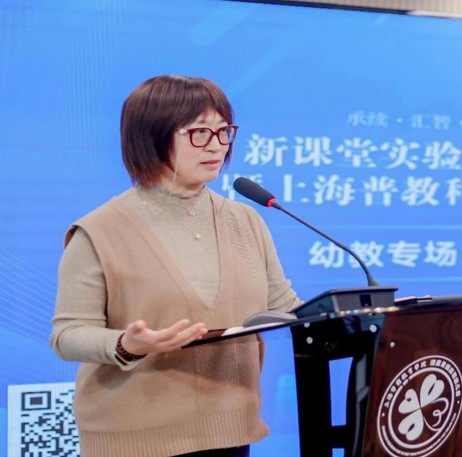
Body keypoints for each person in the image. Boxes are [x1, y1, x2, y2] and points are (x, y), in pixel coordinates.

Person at [50, 74, 301, 457]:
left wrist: (357, 318)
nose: (216, 145)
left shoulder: (246, 220)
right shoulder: (99, 231)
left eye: (224, 131)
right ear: (151, 137)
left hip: (230, 431)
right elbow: (67, 335)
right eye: (199, 132)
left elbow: (284, 305)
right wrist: (127, 345)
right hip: (134, 438)